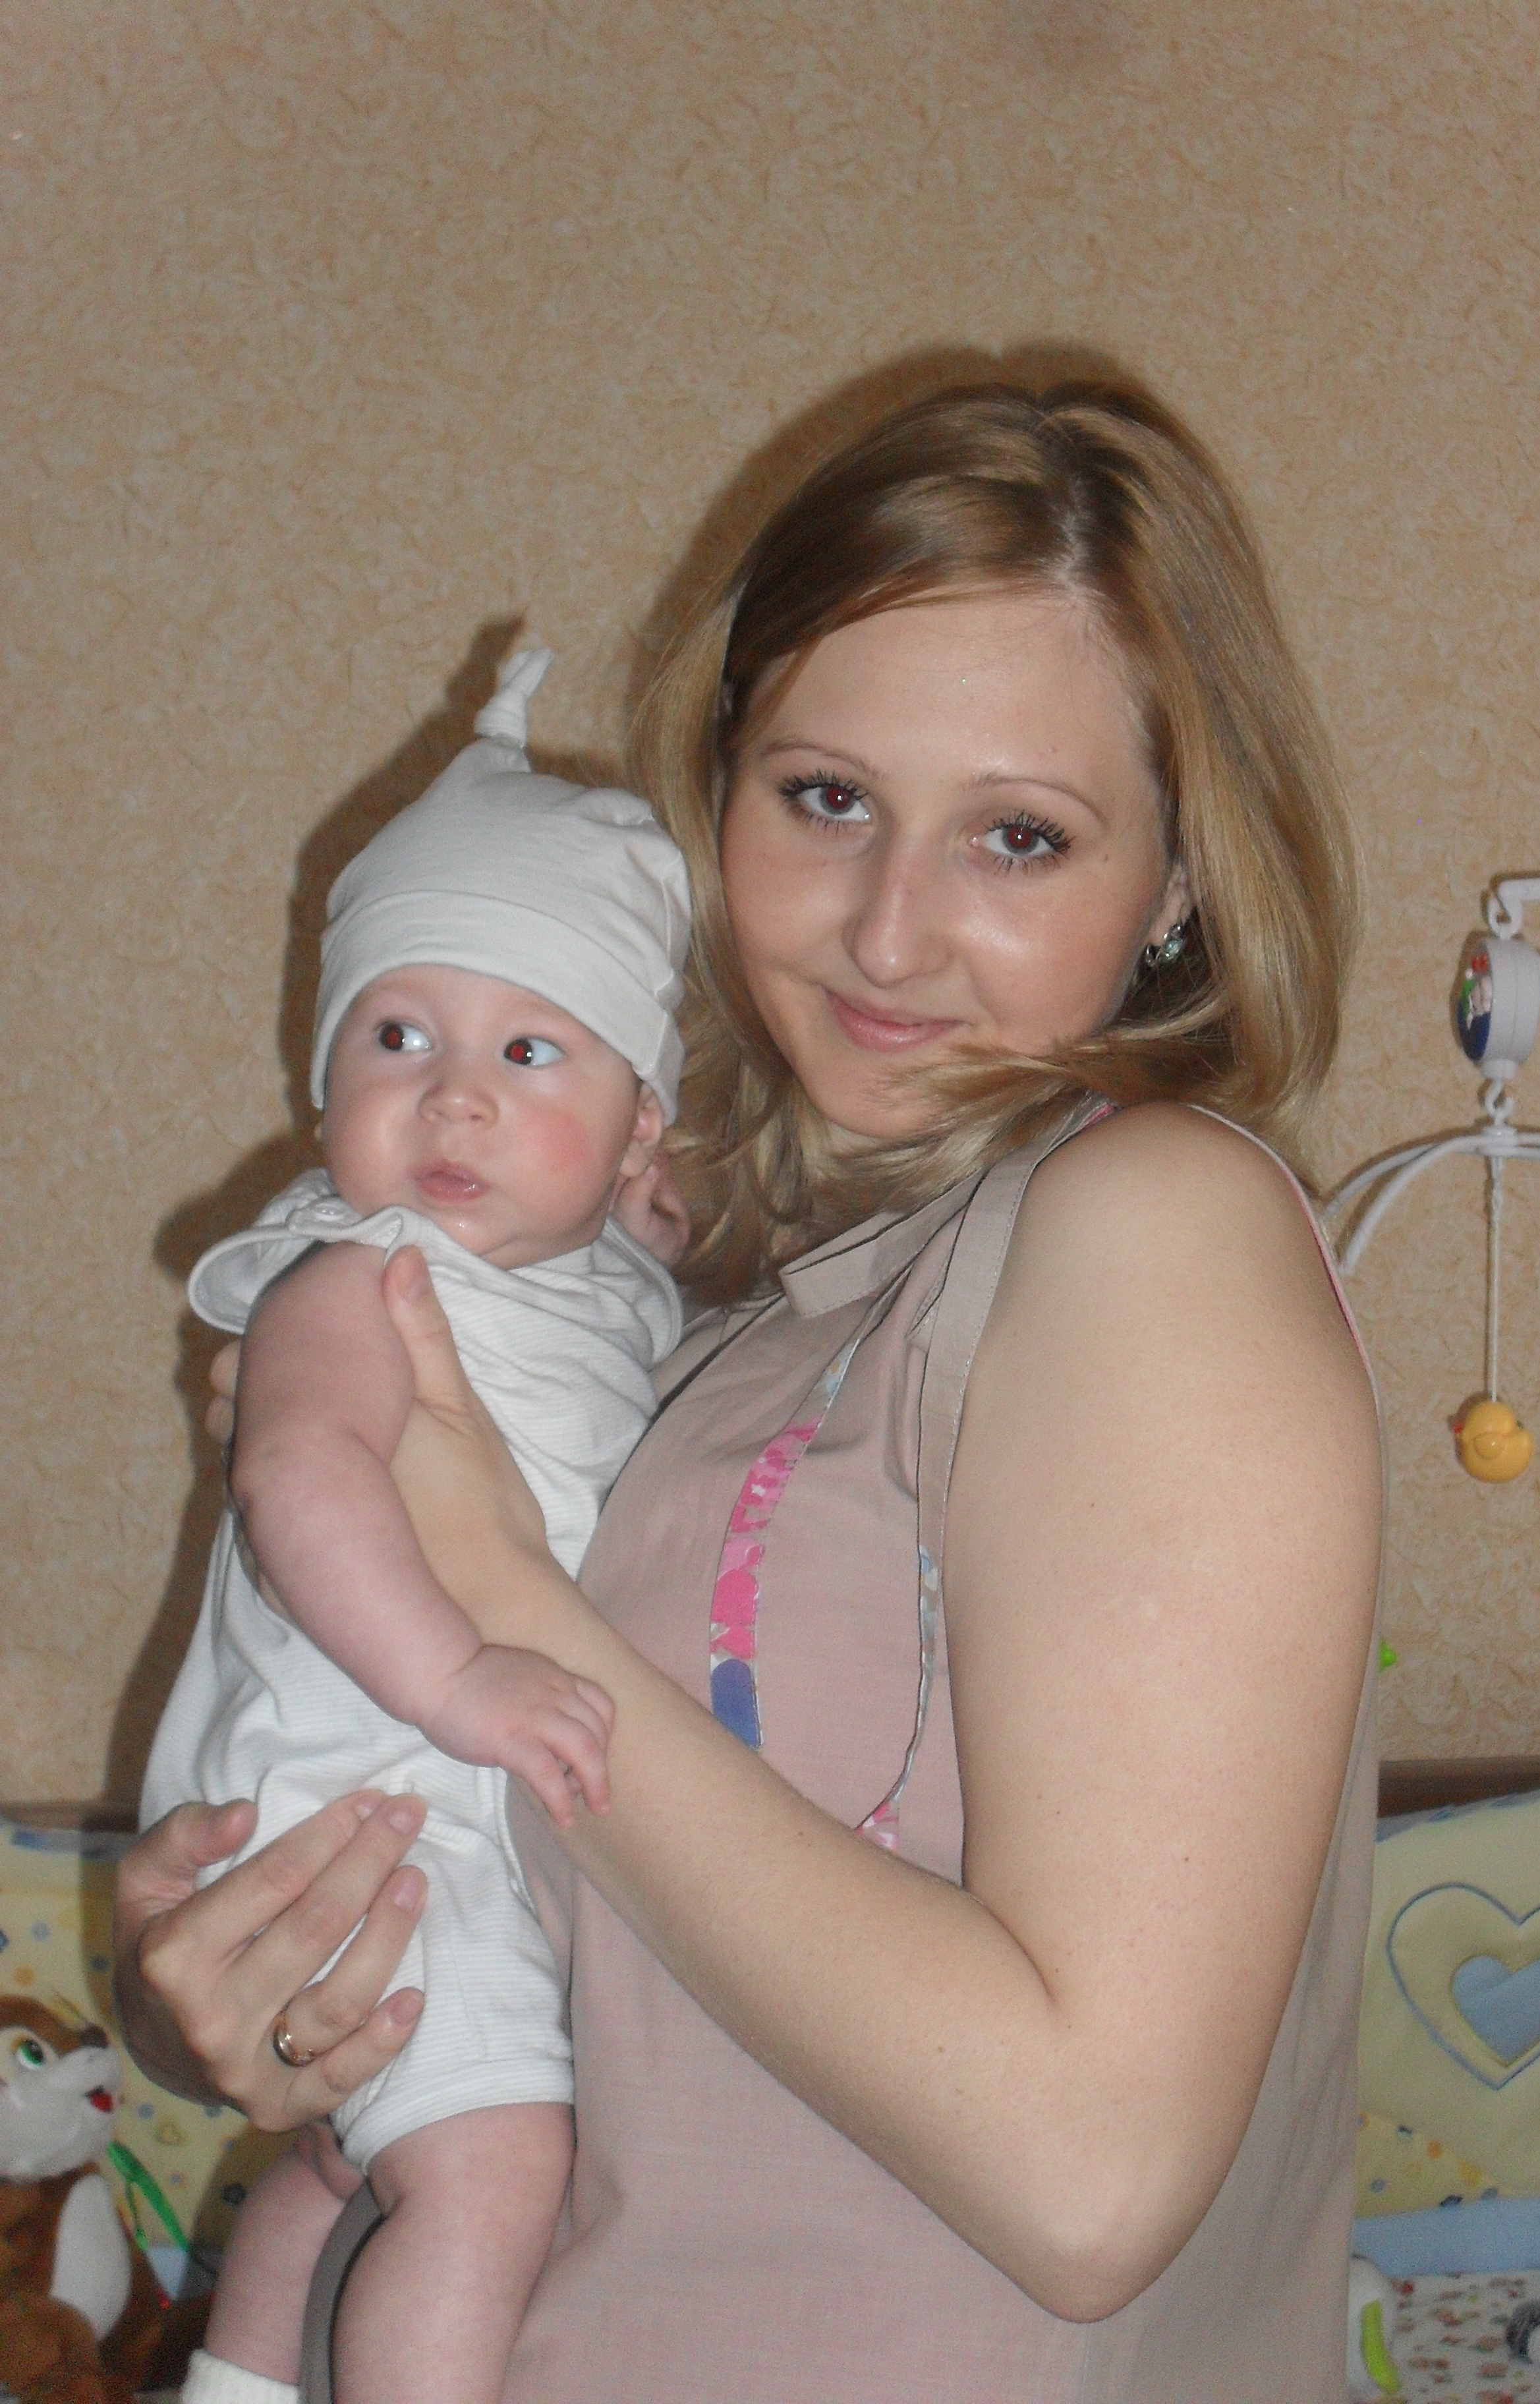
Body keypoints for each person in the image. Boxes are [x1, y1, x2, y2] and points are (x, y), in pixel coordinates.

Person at [117, 375, 1384, 2403]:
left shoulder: (1154, 1223)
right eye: (824, 798)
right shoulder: (724, 1324)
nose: (891, 930)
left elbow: (1092, 2174)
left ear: (1175, 887)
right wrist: (251, 1987)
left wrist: (493, 1592)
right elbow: (626, 1955)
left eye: (1022, 836)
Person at [138, 652, 693, 2404]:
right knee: (497, 2162)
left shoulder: (603, 1289)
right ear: (325, 1083)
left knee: (353, 2158)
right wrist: (459, 1678)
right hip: (370, 1789)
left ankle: (238, 2381)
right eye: (399, 1037)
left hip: (440, 1803)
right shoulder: (353, 1274)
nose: (454, 1096)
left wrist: (646, 1243)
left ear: (639, 1125)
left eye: (531, 1050)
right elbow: (298, 1480)